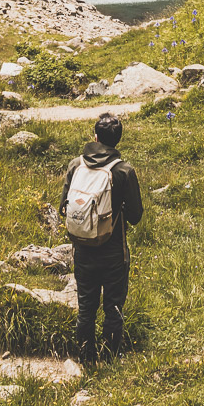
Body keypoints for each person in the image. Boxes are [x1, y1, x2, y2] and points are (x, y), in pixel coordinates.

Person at [59, 111, 143, 365]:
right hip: (114, 250)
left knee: (86, 308)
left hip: (82, 249)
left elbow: (64, 204)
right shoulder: (123, 171)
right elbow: (136, 216)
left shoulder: (76, 165)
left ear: (94, 136)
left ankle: (85, 358)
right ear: (117, 140)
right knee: (113, 307)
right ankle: (110, 358)